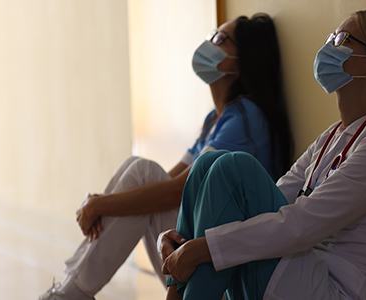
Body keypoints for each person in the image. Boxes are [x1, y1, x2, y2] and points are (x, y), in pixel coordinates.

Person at [159, 10, 366, 300]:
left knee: (234, 167)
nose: (328, 46)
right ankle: (175, 288)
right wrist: (186, 248)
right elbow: (277, 197)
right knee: (208, 163)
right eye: (331, 36)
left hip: (339, 290)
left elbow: (302, 224)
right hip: (307, 273)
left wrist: (202, 248)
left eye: (342, 39)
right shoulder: (333, 135)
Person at [39, 13, 293, 300]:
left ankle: (70, 293)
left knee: (143, 173)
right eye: (212, 35)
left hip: (225, 275)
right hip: (196, 261)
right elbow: (168, 182)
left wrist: (100, 204)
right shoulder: (215, 119)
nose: (209, 43)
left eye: (221, 39)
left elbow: (174, 191)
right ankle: (70, 291)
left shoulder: (246, 119)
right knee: (140, 170)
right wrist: (102, 204)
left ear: (240, 62)